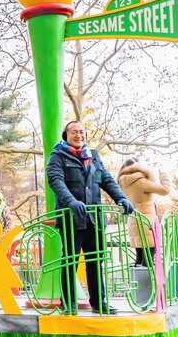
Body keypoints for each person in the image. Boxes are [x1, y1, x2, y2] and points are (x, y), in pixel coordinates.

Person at [45, 120, 134, 315]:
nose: (79, 136)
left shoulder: (92, 156)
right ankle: (68, 303)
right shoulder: (58, 156)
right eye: (74, 132)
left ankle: (98, 302)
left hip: (94, 218)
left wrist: (121, 198)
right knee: (70, 260)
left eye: (82, 132)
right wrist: (70, 201)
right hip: (72, 218)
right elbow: (55, 180)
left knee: (96, 261)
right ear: (66, 136)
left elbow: (107, 180)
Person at [116, 158, 172, 266]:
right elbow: (165, 190)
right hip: (146, 218)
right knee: (149, 256)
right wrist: (164, 176)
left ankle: (137, 280)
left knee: (140, 255)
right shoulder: (141, 181)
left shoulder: (122, 183)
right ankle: (148, 282)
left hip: (133, 218)